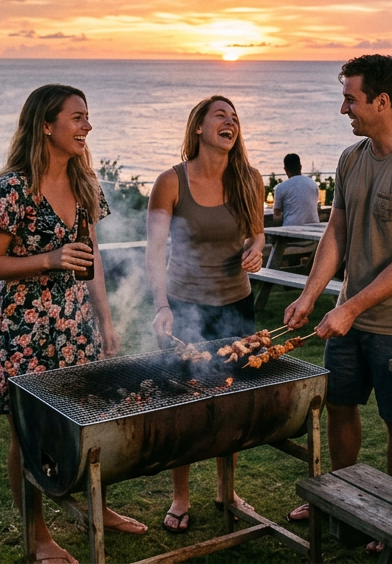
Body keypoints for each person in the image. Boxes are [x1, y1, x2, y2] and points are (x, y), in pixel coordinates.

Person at [282, 55, 392, 549]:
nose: (343, 109)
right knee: (340, 406)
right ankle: (345, 497)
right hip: (349, 316)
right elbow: (337, 230)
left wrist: (350, 307)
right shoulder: (351, 158)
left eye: (350, 99)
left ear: (382, 101)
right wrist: (312, 296)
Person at [0, 84, 145, 562]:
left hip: (74, 324)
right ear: (46, 125)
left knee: (88, 423)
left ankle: (99, 507)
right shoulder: (12, 187)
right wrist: (48, 258)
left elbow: (92, 261)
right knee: (27, 435)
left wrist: (106, 321)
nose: (86, 126)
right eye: (77, 117)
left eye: (87, 117)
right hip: (22, 327)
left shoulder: (86, 182)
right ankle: (37, 537)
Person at [147, 95, 266, 533]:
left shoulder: (249, 179)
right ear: (199, 127)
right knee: (184, 401)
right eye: (221, 115)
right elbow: (155, 249)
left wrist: (256, 249)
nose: (230, 122)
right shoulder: (170, 181)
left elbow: (258, 234)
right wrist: (161, 305)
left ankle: (227, 488)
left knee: (232, 399)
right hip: (185, 304)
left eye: (234, 117)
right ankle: (181, 494)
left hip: (236, 303)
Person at [271, 153, 320, 226]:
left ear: (285, 169)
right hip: (314, 227)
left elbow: (277, 215)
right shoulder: (313, 184)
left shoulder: (281, 187)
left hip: (291, 230)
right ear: (300, 167)